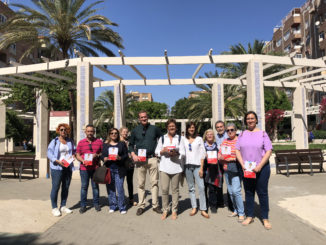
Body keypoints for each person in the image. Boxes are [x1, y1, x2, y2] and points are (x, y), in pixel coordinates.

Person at [236, 111, 273, 230]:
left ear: (256, 120)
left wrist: (260, 166)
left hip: (262, 169)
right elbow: (237, 150)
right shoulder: (241, 134)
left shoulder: (263, 134)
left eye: (252, 118)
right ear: (245, 121)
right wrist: (242, 164)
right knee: (249, 192)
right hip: (247, 169)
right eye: (248, 119)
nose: (250, 120)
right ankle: (250, 215)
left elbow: (268, 151)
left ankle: (265, 217)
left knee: (262, 193)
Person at [129, 110, 162, 216]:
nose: (143, 119)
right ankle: (141, 205)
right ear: (139, 119)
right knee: (141, 184)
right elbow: (130, 145)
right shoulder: (135, 130)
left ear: (148, 117)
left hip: (152, 159)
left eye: (145, 117)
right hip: (140, 160)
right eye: (141, 117)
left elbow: (162, 140)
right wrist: (133, 155)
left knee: (154, 183)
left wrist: (158, 151)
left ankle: (155, 205)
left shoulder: (154, 129)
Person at [155, 119, 185, 220]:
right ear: (167, 128)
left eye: (173, 126)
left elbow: (183, 152)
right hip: (164, 168)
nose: (171, 128)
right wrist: (162, 151)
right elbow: (156, 152)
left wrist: (176, 153)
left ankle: (174, 210)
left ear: (176, 127)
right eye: (170, 126)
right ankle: (165, 210)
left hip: (176, 167)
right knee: (164, 190)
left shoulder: (180, 138)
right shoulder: (162, 138)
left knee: (175, 190)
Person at [218, 123, 245, 222]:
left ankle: (241, 213)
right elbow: (220, 153)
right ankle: (235, 210)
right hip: (226, 169)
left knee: (236, 191)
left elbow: (243, 155)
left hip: (236, 169)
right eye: (228, 130)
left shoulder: (239, 141)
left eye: (232, 130)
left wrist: (232, 158)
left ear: (236, 130)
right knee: (230, 191)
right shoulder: (225, 141)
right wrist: (220, 156)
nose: (230, 132)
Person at [47, 123, 75, 217]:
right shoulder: (54, 141)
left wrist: (73, 156)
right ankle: (54, 208)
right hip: (57, 167)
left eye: (65, 129)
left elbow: (73, 151)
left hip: (68, 167)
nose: (63, 131)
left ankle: (63, 206)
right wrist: (57, 161)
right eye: (61, 130)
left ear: (68, 131)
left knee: (66, 187)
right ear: (59, 131)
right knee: (56, 187)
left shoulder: (70, 141)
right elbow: (49, 153)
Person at [183, 122, 209, 218]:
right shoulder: (183, 139)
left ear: (195, 129)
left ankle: (203, 209)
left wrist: (201, 168)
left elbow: (202, 154)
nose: (191, 129)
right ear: (187, 129)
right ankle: (194, 207)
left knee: (201, 187)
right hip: (187, 166)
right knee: (191, 188)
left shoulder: (199, 139)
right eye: (190, 127)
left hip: (197, 166)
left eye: (193, 127)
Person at [76, 124, 103, 214]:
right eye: (88, 131)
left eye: (92, 131)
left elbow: (103, 153)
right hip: (84, 168)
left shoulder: (99, 142)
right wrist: (82, 160)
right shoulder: (81, 142)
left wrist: (97, 155)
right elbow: (77, 155)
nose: (90, 133)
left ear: (94, 132)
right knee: (84, 187)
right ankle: (83, 205)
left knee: (95, 187)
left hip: (95, 168)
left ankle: (96, 204)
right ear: (85, 132)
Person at [102, 128, 128, 214]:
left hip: (119, 169)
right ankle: (113, 205)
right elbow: (102, 155)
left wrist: (120, 158)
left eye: (115, 133)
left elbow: (125, 155)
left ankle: (122, 207)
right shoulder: (105, 145)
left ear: (118, 134)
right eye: (111, 133)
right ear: (109, 134)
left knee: (120, 188)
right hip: (109, 168)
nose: (113, 134)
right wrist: (104, 158)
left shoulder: (121, 144)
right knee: (110, 188)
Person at [215, 121, 234, 211]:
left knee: (229, 182)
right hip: (218, 162)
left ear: (224, 127)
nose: (220, 128)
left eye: (221, 126)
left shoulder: (229, 135)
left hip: (228, 162)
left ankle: (231, 203)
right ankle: (220, 202)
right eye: (218, 127)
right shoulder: (215, 137)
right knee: (219, 182)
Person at [203, 129, 222, 214]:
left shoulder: (216, 145)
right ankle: (204, 205)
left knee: (212, 188)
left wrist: (219, 156)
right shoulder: (202, 146)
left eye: (211, 134)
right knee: (203, 188)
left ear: (213, 136)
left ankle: (213, 205)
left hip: (214, 170)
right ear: (205, 136)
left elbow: (221, 155)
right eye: (208, 134)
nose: (210, 136)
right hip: (204, 169)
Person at [120, 126, 137, 207]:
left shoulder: (130, 141)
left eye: (126, 132)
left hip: (130, 164)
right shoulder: (118, 141)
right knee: (120, 182)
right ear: (120, 132)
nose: (125, 133)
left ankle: (131, 199)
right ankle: (121, 199)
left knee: (130, 182)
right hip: (121, 164)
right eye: (124, 132)